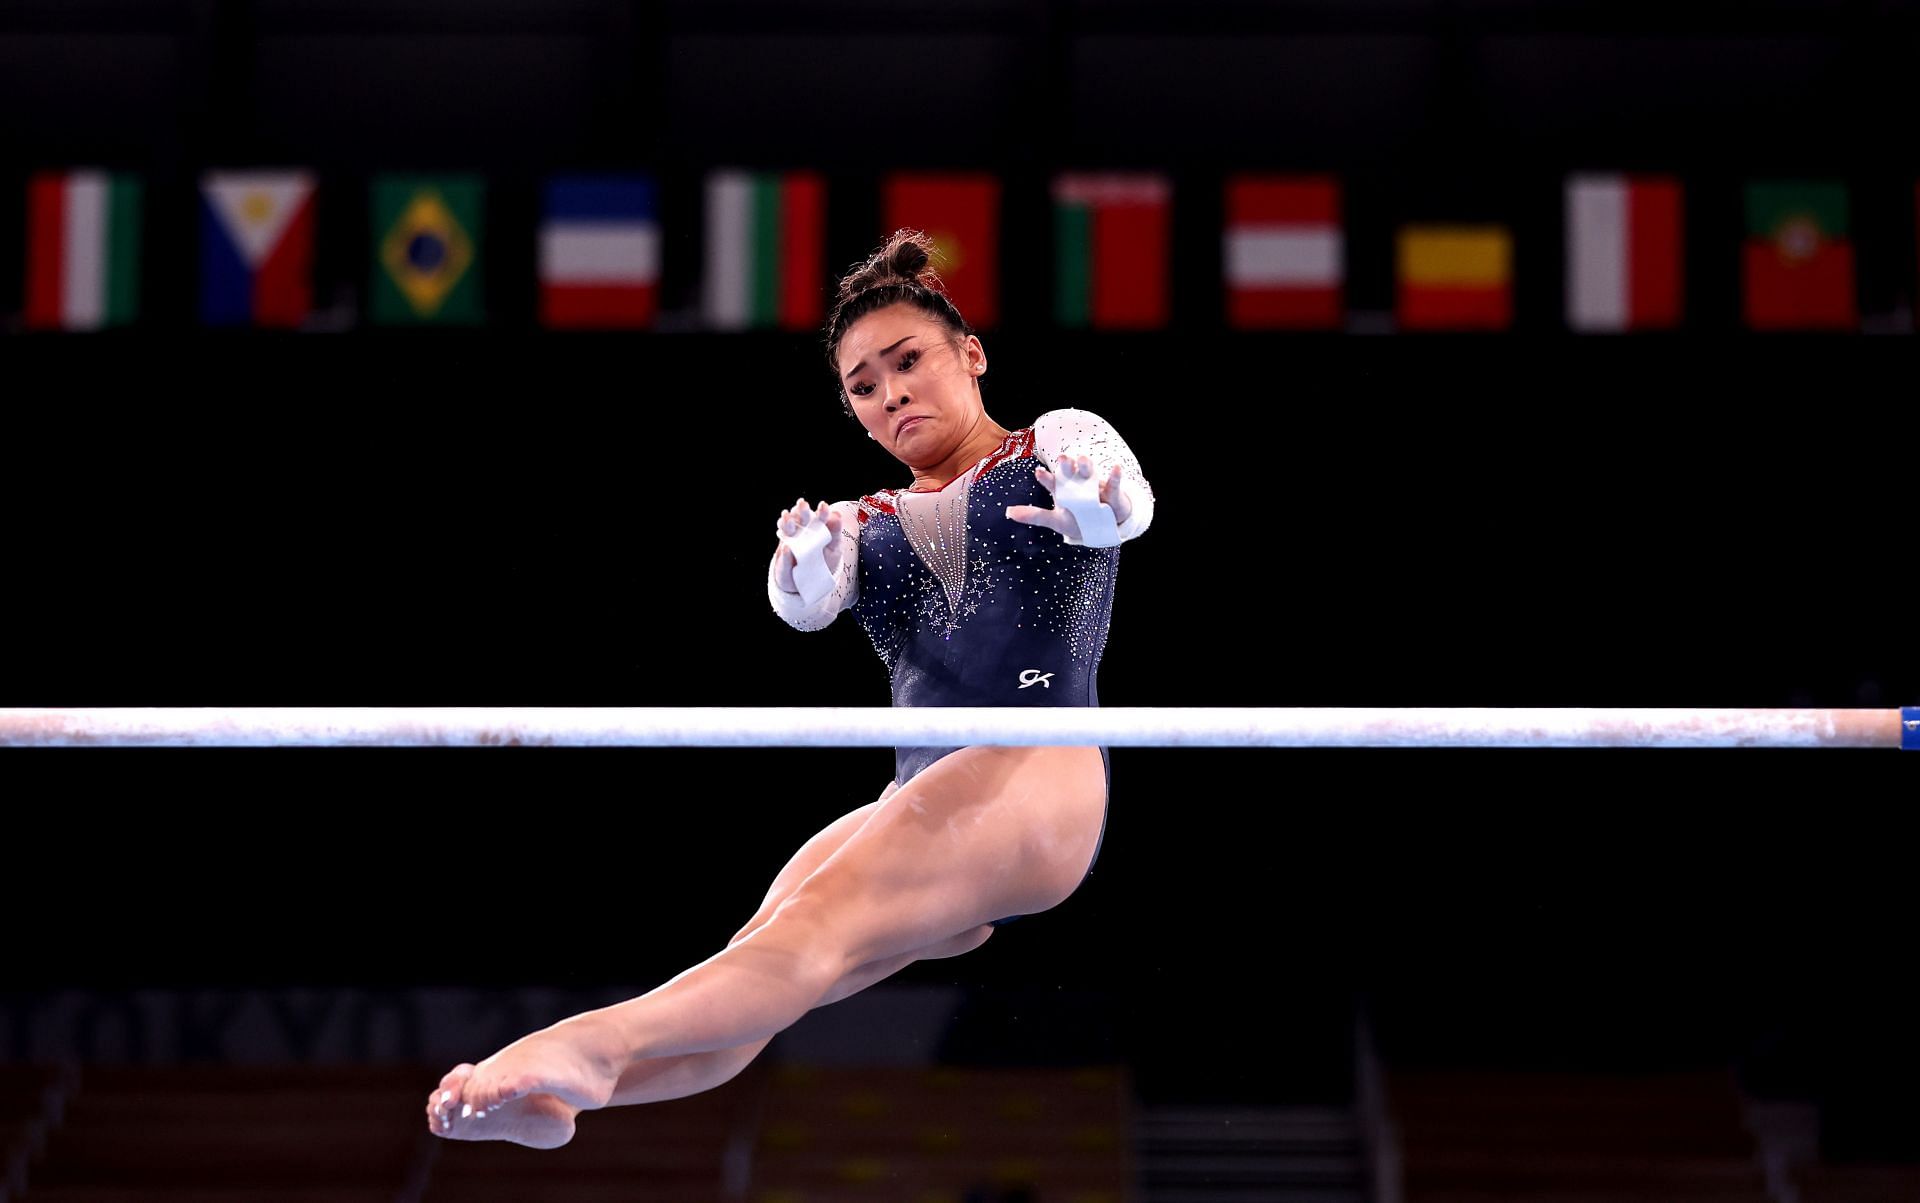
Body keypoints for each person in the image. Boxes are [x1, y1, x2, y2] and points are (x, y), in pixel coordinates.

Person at [423, 229, 1155, 1149]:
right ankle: (566, 1098)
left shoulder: (1053, 442)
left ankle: (583, 1045)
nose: (891, 392)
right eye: (863, 384)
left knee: (810, 926)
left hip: (1034, 776)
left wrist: (1099, 503)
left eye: (908, 360)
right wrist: (804, 570)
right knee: (770, 958)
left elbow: (1125, 502)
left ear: (970, 355)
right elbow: (802, 607)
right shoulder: (863, 517)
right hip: (929, 793)